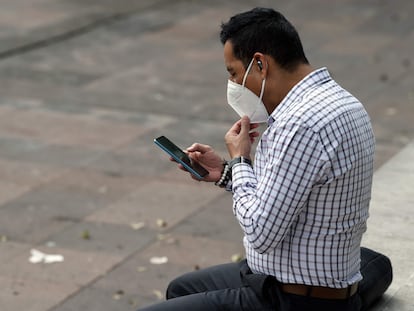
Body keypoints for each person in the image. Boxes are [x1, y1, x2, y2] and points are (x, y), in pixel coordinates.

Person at [139, 7, 392, 311]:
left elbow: (261, 232)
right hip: (290, 277)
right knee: (181, 288)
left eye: (233, 73)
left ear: (259, 63)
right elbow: (290, 192)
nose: (233, 85)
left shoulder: (301, 124)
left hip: (293, 298)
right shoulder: (339, 101)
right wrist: (225, 173)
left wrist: (240, 161)